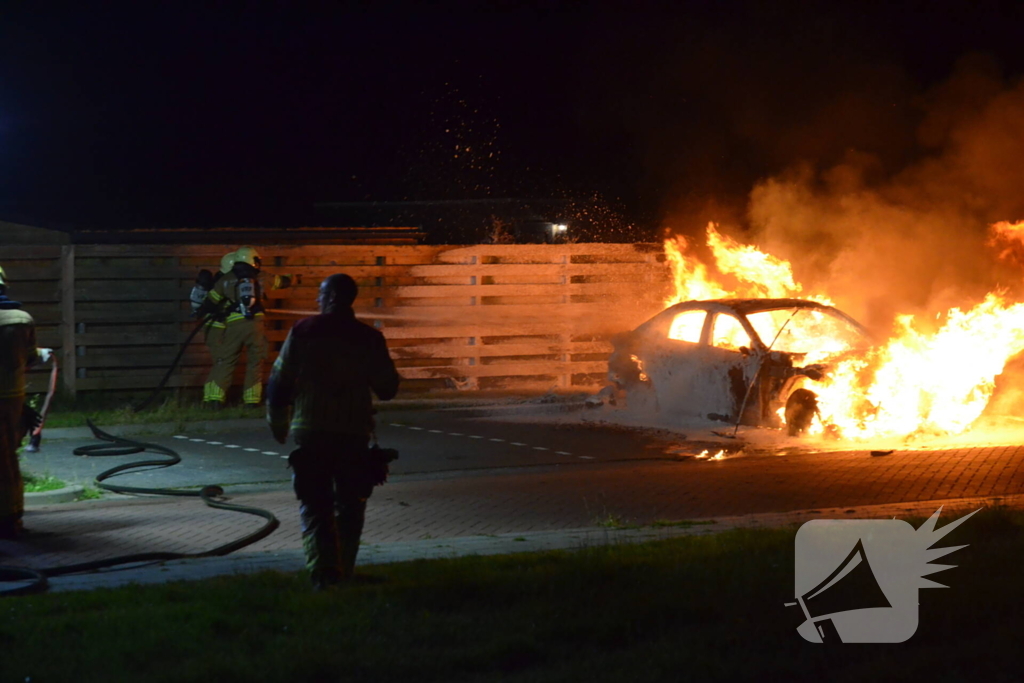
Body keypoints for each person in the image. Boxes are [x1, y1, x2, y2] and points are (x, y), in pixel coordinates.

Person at [266, 273, 400, 589]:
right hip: (353, 435)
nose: (316, 299)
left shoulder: (303, 331)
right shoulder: (368, 338)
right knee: (350, 507)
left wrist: (278, 425)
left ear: (328, 298)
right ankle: (344, 571)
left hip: (311, 433)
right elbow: (388, 388)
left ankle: (324, 575)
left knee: (315, 506)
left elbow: (279, 383)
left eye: (319, 293)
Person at [0, 266, 52, 540]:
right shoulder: (22, 319)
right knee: (8, 460)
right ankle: (11, 519)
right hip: (11, 400)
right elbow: (28, 356)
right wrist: (41, 354)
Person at [202, 245, 268, 409]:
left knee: (226, 361)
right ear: (253, 260)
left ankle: (216, 399)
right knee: (255, 362)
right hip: (257, 325)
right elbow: (281, 281)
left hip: (234, 325)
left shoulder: (225, 279)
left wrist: (205, 310)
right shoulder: (262, 277)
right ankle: (252, 401)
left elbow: (211, 301)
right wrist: (294, 279)